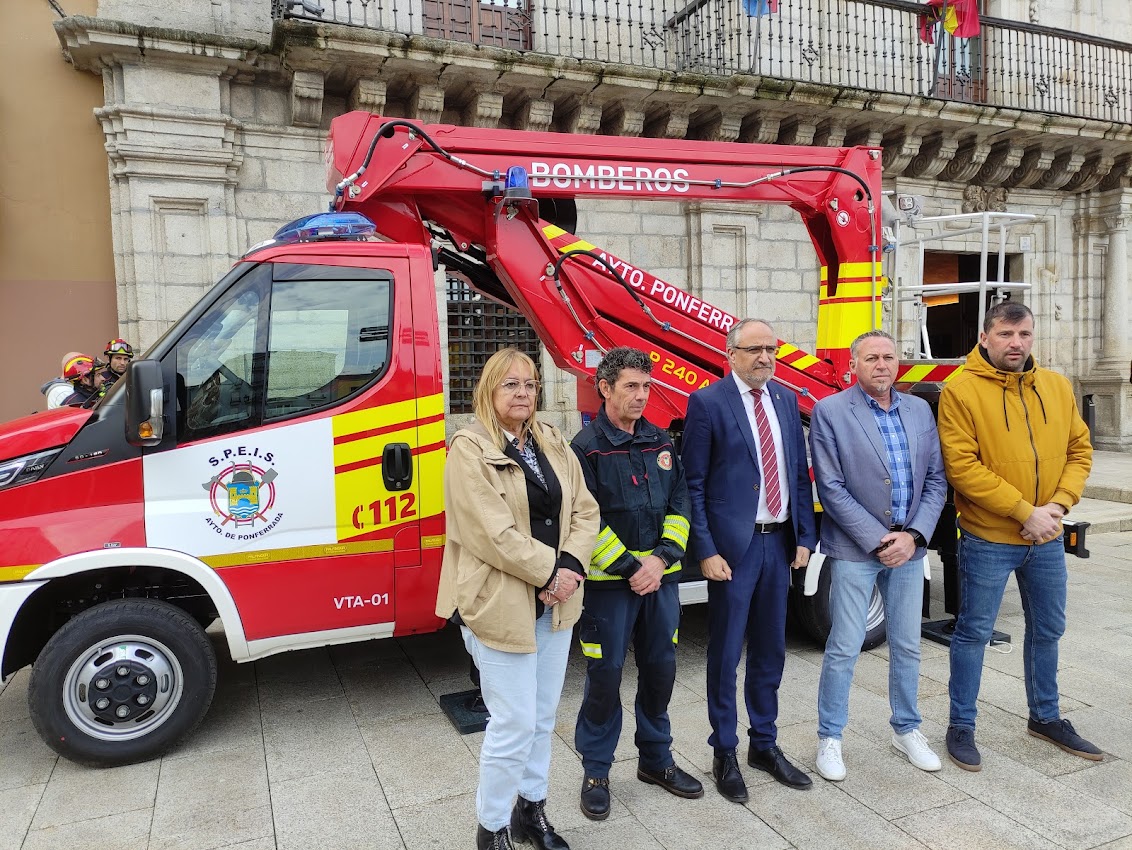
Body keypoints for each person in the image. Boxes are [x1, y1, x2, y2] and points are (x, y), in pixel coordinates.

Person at [436, 347, 599, 850]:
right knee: (513, 721)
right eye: (511, 384)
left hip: (556, 603)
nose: (524, 393)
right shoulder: (468, 447)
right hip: (500, 602)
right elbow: (491, 532)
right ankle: (492, 828)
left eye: (530, 384)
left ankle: (533, 812)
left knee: (544, 714)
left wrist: (569, 569)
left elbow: (586, 511)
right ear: (489, 390)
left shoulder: (549, 440)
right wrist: (551, 570)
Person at [938, 301, 1099, 771]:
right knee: (973, 633)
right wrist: (1023, 510)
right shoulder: (961, 390)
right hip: (988, 538)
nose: (1016, 343)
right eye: (1006, 334)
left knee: (1048, 630)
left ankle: (1045, 717)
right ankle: (961, 725)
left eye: (1024, 334)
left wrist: (1057, 506)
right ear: (985, 337)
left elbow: (1079, 450)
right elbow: (962, 468)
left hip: (1046, 537)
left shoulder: (1056, 385)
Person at [681, 318, 818, 803]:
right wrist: (706, 550)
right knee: (724, 654)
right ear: (730, 352)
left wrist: (804, 535)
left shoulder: (784, 398)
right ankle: (724, 751)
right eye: (755, 349)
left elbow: (798, 475)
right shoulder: (708, 402)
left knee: (770, 650)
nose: (765, 357)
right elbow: (692, 484)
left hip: (778, 545)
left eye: (771, 348)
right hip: (733, 552)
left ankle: (764, 743)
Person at [570, 348, 701, 821]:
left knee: (661, 670)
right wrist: (632, 567)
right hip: (609, 590)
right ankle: (597, 770)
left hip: (659, 584)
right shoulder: (584, 449)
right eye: (631, 386)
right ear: (605, 388)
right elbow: (584, 520)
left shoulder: (661, 440)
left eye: (646, 386)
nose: (642, 395)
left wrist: (663, 559)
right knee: (604, 680)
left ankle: (656, 761)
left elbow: (681, 505)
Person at [809, 331, 947, 781]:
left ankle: (906, 729)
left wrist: (913, 536)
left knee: (907, 644)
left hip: (909, 546)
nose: (882, 365)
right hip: (854, 548)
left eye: (889, 357)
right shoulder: (831, 412)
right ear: (854, 365)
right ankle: (830, 739)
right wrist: (879, 539)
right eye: (871, 358)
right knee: (844, 646)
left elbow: (935, 480)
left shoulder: (919, 409)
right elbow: (830, 487)